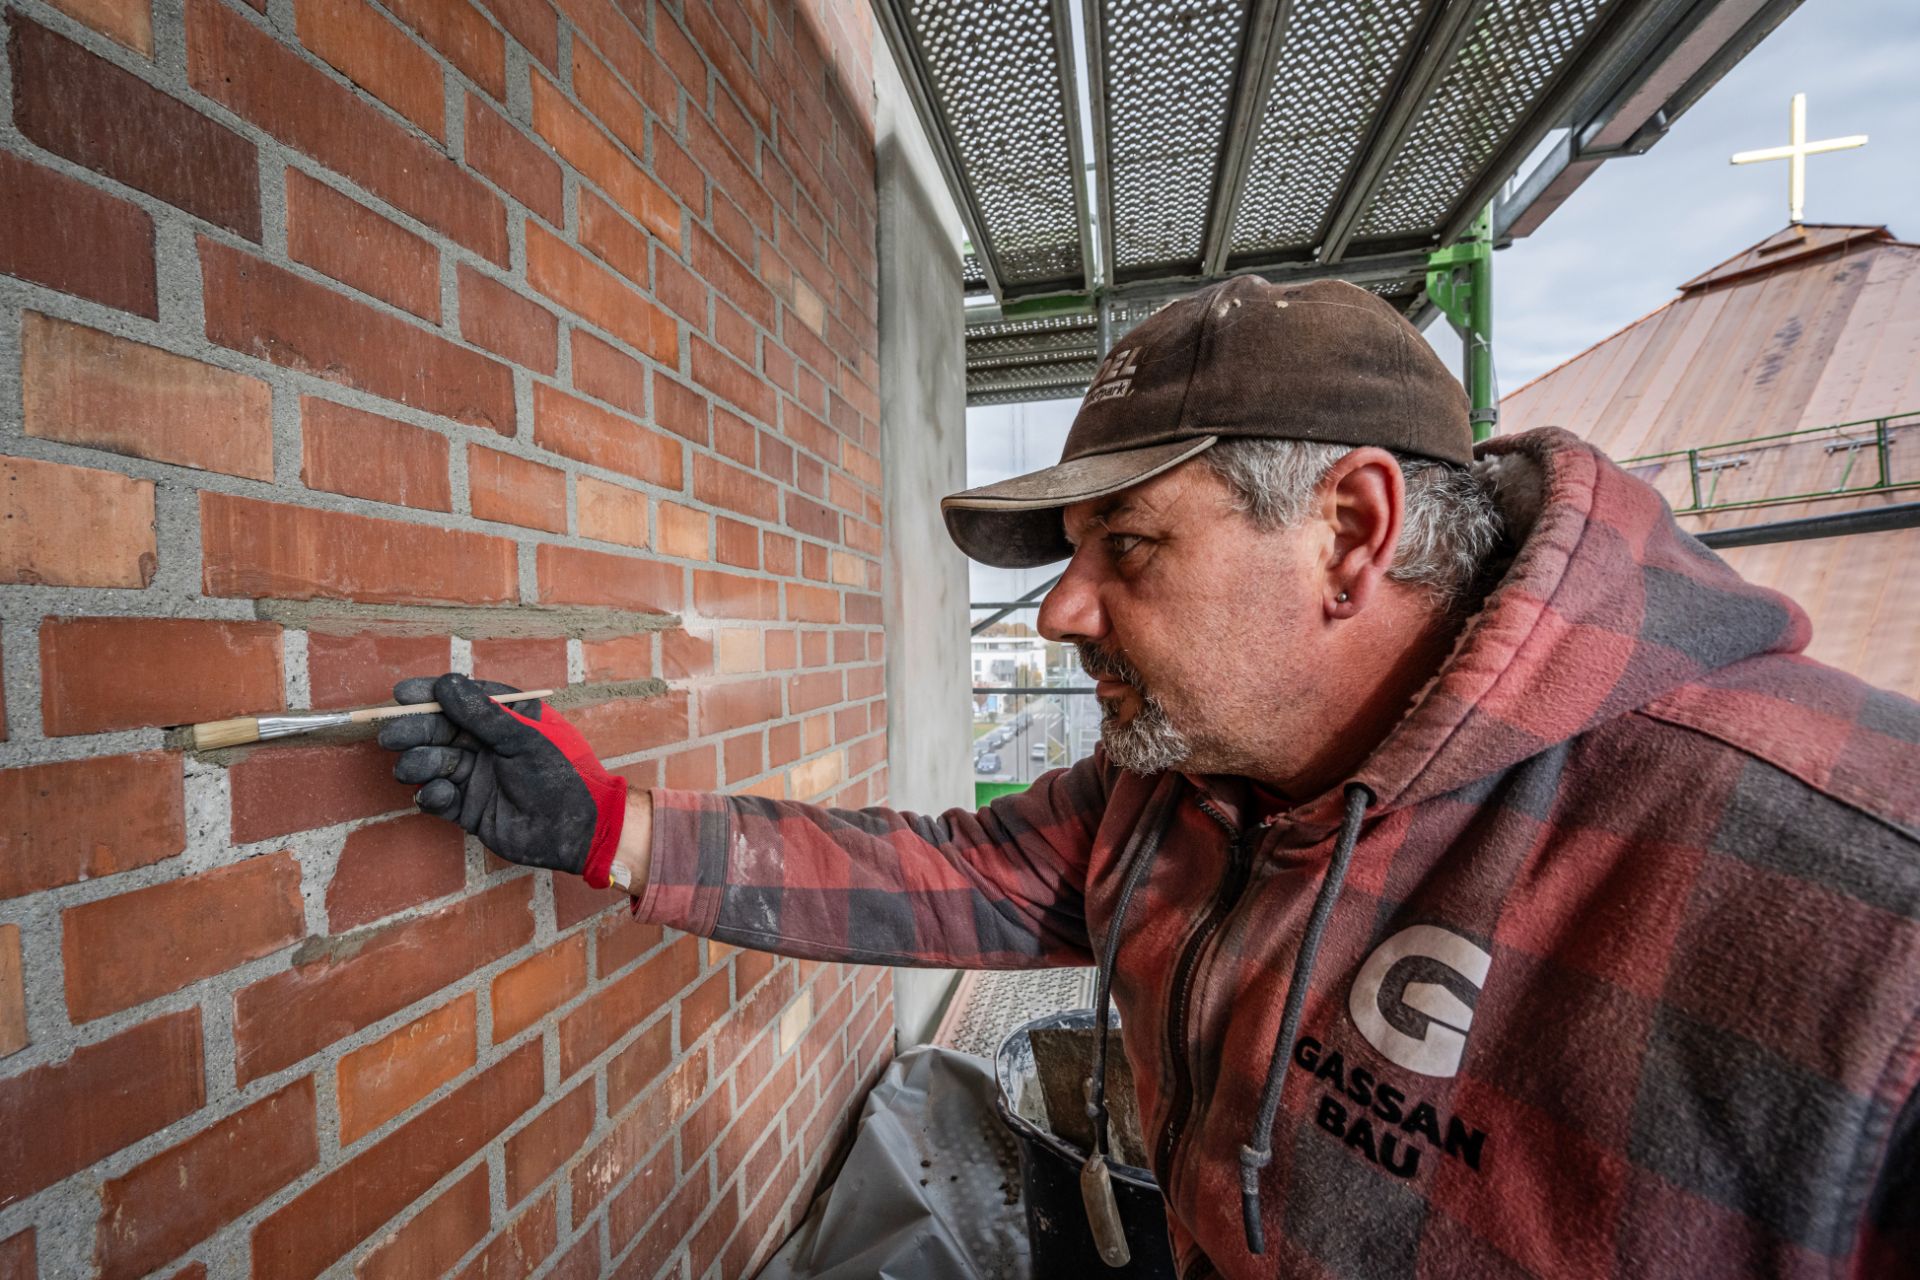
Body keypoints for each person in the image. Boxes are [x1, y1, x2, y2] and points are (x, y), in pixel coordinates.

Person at [380, 277, 1920, 1278]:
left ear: (1352, 532)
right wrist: (614, 828)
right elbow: (949, 879)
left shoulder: (1854, 892)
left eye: (1128, 549)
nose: (1060, 610)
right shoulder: (1180, 792)